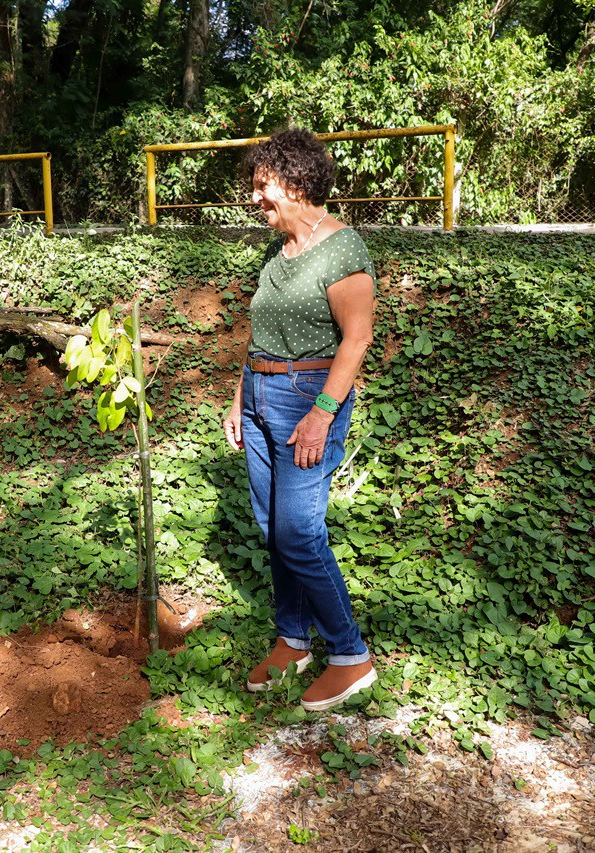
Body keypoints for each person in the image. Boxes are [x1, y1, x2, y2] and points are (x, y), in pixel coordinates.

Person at [223, 128, 377, 712]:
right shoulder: (277, 251)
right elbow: (261, 331)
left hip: (308, 397)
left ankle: (350, 655)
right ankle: (293, 640)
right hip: (261, 393)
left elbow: (356, 340)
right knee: (272, 528)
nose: (256, 197)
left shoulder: (342, 248)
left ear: (297, 182)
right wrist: (241, 397)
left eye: (265, 186)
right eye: (256, 186)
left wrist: (322, 414)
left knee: (298, 532)